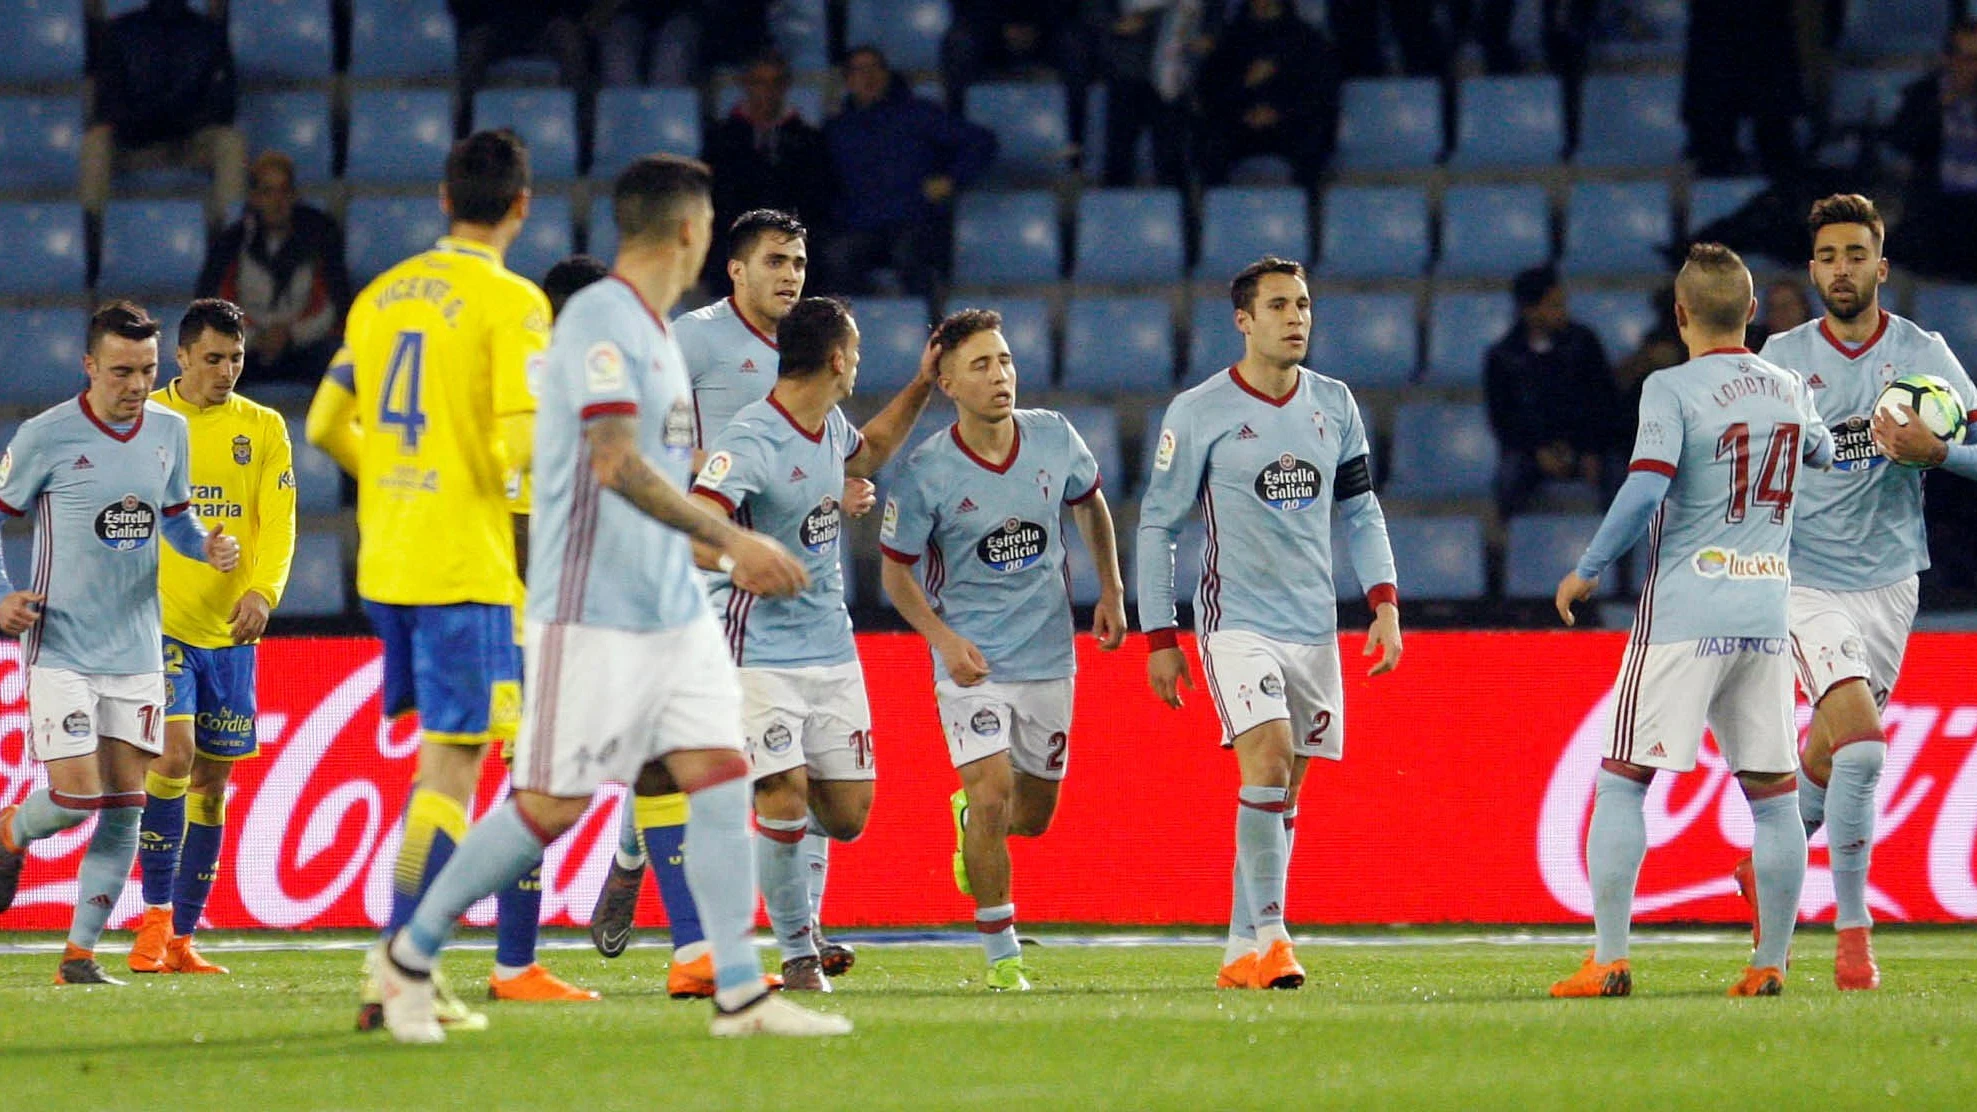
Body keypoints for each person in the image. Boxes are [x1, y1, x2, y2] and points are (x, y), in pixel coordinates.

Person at [367, 153, 848, 1043]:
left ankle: (738, 990)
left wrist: (709, 551)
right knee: (548, 805)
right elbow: (614, 461)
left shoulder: (654, 332)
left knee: (716, 774)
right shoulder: (599, 322)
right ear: (690, 232)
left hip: (672, 607)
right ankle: (408, 954)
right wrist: (733, 539)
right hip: (592, 608)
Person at [304, 130, 591, 1026]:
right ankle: (398, 968)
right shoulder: (514, 304)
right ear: (521, 204)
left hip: (387, 556)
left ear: (441, 197)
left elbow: (323, 425)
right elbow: (520, 445)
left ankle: (403, 964)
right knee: (453, 776)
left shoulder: (380, 296)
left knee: (439, 769)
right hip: (465, 561)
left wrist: (395, 478)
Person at [591, 209, 867, 993]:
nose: (790, 275)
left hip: (774, 575)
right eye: (775, 261)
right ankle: (631, 859)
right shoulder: (693, 341)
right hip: (696, 567)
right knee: (686, 751)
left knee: (790, 762)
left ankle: (799, 929)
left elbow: (822, 447)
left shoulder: (803, 352)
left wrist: (837, 481)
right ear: (736, 271)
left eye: (799, 262)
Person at [1551, 242, 1833, 999]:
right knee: (1773, 797)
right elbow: (1825, 453)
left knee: (1621, 780)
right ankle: (1769, 963)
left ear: (1679, 316)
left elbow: (1645, 490)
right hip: (1766, 611)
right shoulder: (1785, 384)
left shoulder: (1668, 389)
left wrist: (1588, 566)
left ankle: (1608, 958)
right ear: (1749, 312)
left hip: (1685, 610)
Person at [1136, 257, 1403, 991]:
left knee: (1283, 796)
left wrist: (1382, 602)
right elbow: (1156, 524)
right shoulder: (1198, 411)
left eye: (1305, 305)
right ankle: (1277, 937)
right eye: (1279, 305)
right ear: (1243, 321)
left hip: (1314, 626)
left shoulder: (1335, 403)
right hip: (1234, 622)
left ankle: (1235, 951)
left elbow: (1359, 509)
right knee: (1269, 760)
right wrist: (1159, 636)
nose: (1296, 318)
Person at [1735, 194, 1977, 990]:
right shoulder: (1780, 356)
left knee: (1829, 750)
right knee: (1865, 746)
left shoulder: (1921, 353)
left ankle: (1758, 864)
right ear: (1812, 271)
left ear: (1880, 265)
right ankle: (1850, 935)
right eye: (1827, 257)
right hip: (1803, 579)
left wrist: (1935, 451)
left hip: (1889, 581)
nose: (1840, 270)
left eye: (1855, 255)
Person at [683, 297, 937, 991]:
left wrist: (921, 383)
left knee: (846, 817)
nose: (857, 363)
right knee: (784, 792)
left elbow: (874, 450)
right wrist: (742, 562)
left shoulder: (826, 427)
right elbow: (694, 532)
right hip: (757, 650)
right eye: (854, 352)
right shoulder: (752, 440)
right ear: (835, 358)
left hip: (830, 647)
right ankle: (798, 953)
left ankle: (760, 845)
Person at [879, 308, 1128, 990]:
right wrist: (943, 639)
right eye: (981, 365)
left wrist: (1110, 588)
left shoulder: (1053, 437)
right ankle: (1002, 957)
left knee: (1033, 818)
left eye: (1006, 361)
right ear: (950, 384)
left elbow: (1090, 503)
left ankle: (971, 823)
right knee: (990, 796)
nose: (1000, 376)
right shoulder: (927, 471)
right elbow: (893, 573)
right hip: (971, 664)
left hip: (1048, 656)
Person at [0, 301, 240, 985]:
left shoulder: (170, 430)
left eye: (147, 370)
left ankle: (79, 955)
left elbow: (176, 518)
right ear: (88, 367)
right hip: (63, 645)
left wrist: (207, 545)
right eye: (120, 371)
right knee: (77, 796)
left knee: (128, 804)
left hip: (136, 648)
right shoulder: (46, 436)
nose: (136, 385)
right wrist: (2, 596)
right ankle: (9, 829)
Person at [125, 299, 296, 978]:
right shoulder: (145, 424)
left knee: (213, 784)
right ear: (183, 356)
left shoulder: (264, 428)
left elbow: (279, 522)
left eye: (237, 359)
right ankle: (153, 917)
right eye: (215, 358)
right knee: (174, 752)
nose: (227, 370)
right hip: (159, 622)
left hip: (232, 632)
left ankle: (182, 939)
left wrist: (264, 592)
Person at [821, 47, 996, 296]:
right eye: (859, 70)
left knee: (911, 255)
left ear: (887, 74)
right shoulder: (835, 129)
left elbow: (981, 142)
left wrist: (952, 179)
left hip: (914, 221)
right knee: (835, 257)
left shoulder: (919, 114)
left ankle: (929, 328)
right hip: (860, 226)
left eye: (875, 68)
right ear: (848, 79)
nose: (868, 77)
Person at [1484, 265, 1632, 519]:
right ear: (1529, 310)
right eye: (1553, 305)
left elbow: (1604, 402)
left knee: (1621, 476)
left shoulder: (1583, 343)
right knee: (1509, 478)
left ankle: (1620, 552)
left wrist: (1590, 449)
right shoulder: (1503, 357)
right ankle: (1511, 545)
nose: (1562, 311)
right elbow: (1503, 419)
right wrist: (1538, 450)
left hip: (1585, 447)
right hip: (1534, 451)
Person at [81, 0, 246, 226]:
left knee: (231, 142)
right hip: (133, 144)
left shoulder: (210, 33)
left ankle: (233, 235)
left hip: (189, 143)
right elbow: (108, 100)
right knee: (95, 142)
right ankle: (90, 234)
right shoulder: (119, 31)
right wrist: (145, 123)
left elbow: (223, 103)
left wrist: (179, 123)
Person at [196, 151, 354, 386]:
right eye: (267, 192)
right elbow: (213, 306)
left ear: (294, 195)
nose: (277, 201)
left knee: (342, 361)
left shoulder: (320, 235)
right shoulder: (231, 242)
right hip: (247, 347)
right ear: (254, 198)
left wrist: (290, 335)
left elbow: (334, 306)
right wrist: (256, 338)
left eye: (284, 191)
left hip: (305, 346)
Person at [702, 52, 833, 283]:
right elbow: (715, 196)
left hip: (792, 243)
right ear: (746, 85)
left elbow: (817, 199)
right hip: (734, 244)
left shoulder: (808, 139)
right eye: (758, 82)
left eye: (775, 82)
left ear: (785, 86)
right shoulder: (721, 138)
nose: (767, 91)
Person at [1193, 0, 1339, 188]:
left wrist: (1280, 111)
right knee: (1210, 144)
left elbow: (1321, 92)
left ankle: (1311, 212)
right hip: (1240, 123)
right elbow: (1209, 91)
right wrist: (1243, 88)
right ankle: (1213, 211)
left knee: (1313, 142)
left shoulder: (1307, 39)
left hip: (1290, 123)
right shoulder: (1230, 39)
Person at [1886, 20, 1977, 283]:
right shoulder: (1923, 94)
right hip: (1937, 215)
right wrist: (1941, 106)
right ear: (1949, 59)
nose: (1972, 67)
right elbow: (1902, 140)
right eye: (1966, 58)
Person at [1748, 276, 1812, 351]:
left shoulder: (1820, 344)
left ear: (1804, 308)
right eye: (1773, 307)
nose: (1781, 312)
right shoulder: (1756, 348)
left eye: (1787, 304)